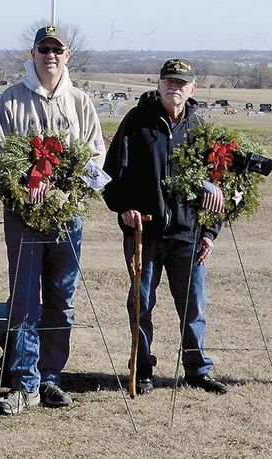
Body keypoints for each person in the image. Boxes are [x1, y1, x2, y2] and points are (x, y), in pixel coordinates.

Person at [0, 25, 107, 415]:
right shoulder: (11, 100)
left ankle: (50, 375)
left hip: (66, 217)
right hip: (23, 216)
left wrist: (66, 190)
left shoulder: (81, 102)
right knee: (24, 300)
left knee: (61, 299)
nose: (50, 55)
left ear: (67, 55)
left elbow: (95, 158)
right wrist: (27, 182)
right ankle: (24, 383)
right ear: (34, 53)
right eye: (44, 48)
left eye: (57, 49)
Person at [102, 58, 228, 395]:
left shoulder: (201, 129)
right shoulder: (137, 122)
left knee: (193, 305)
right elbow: (111, 174)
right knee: (141, 303)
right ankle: (142, 367)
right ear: (158, 85)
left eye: (181, 82)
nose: (174, 87)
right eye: (168, 81)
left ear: (192, 89)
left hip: (189, 234)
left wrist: (211, 233)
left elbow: (218, 185)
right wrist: (123, 208)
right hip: (145, 232)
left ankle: (197, 369)